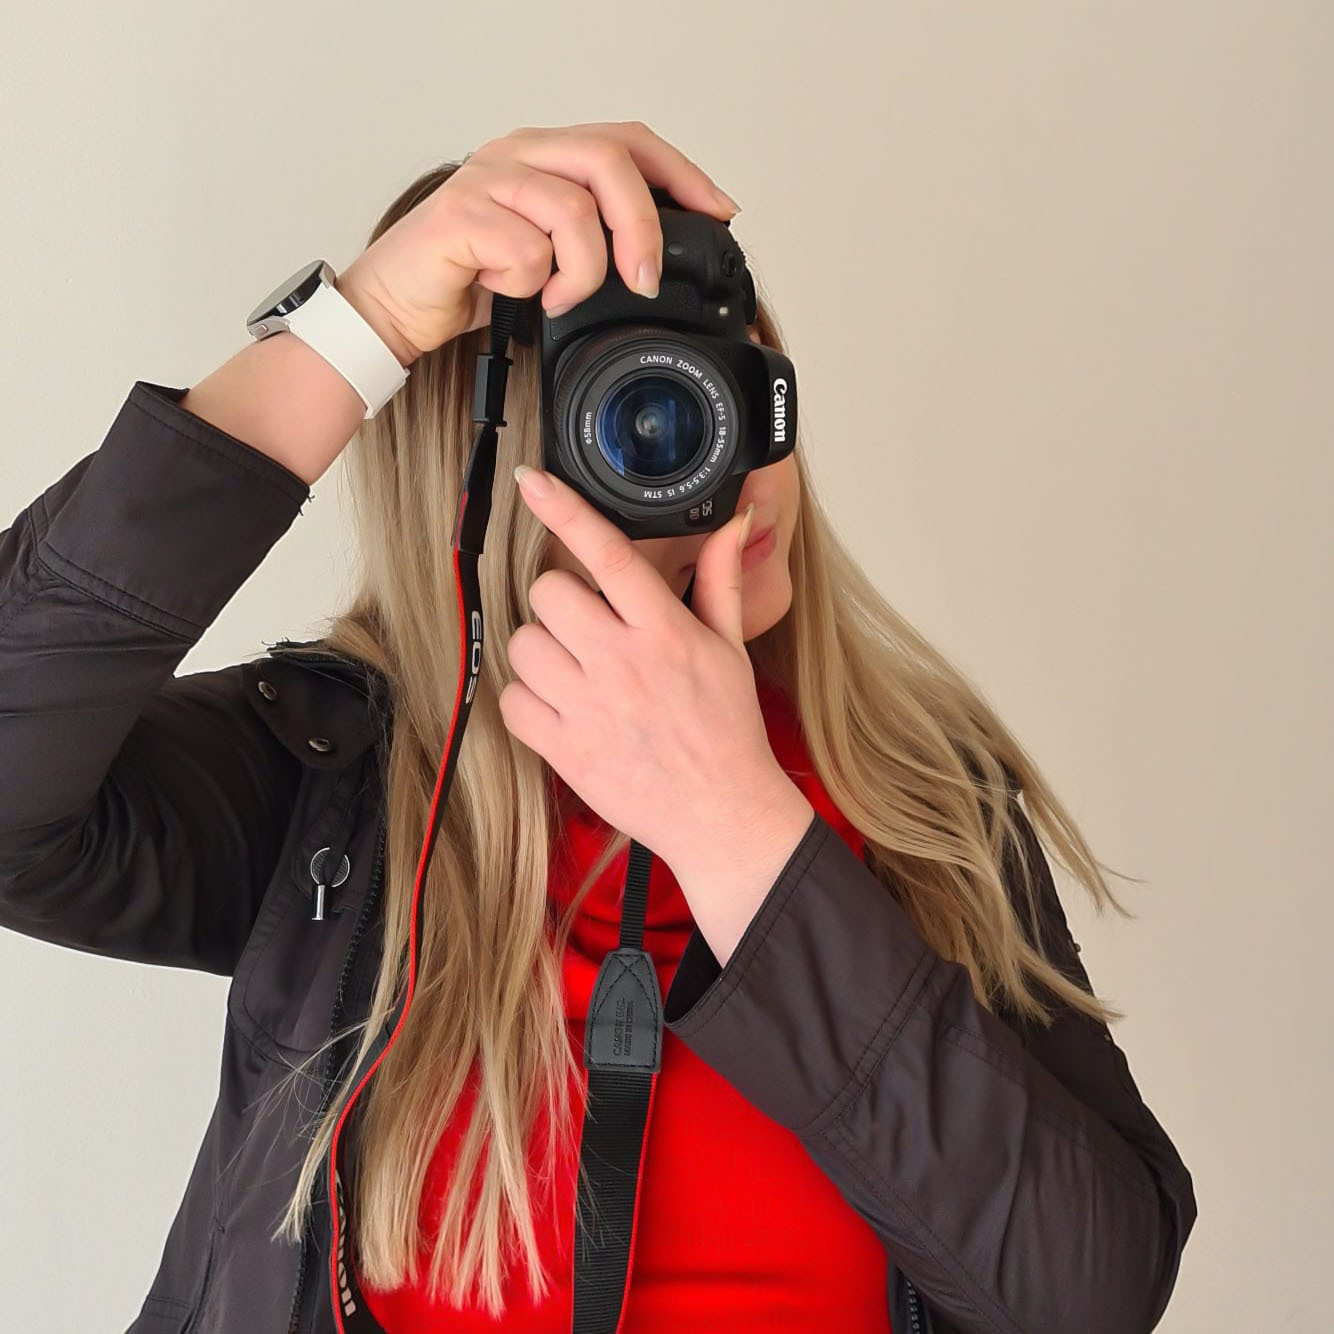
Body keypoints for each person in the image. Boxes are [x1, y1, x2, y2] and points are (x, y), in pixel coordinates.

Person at [0, 120, 1196, 1334]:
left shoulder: (916, 793)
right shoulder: (331, 779)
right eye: (645, 415)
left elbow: (1082, 1294)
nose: (730, 469)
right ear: (481, 481)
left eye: (731, 388)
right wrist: (353, 333)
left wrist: (739, 834)